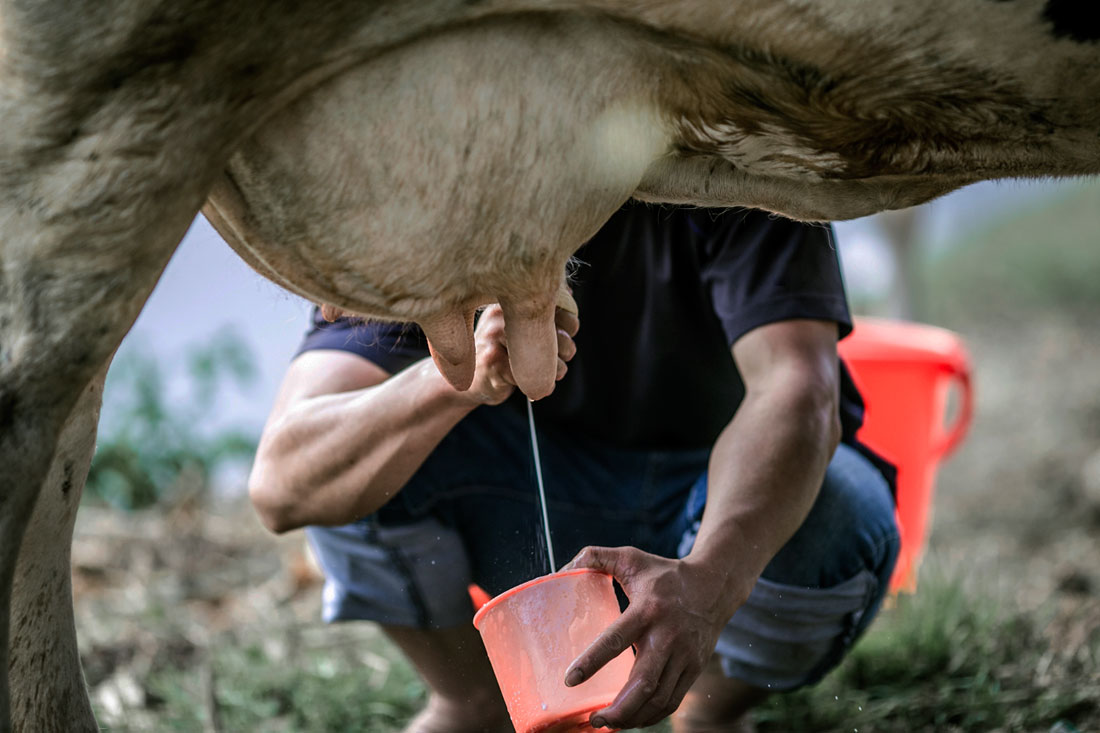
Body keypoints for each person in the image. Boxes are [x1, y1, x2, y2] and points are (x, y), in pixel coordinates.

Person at [248, 202, 900, 733]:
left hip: (716, 509)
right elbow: (285, 481)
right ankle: (477, 701)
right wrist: (457, 381)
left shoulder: (736, 156)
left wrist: (709, 583)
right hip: (538, 518)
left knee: (837, 509)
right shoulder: (428, 207)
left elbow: (799, 390)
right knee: (354, 465)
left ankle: (708, 705)